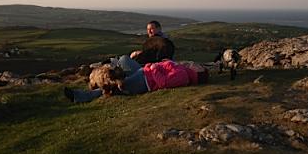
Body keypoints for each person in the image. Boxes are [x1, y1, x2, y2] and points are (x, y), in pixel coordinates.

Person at [64, 57, 208, 103]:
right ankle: (109, 73)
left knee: (113, 88)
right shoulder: (182, 69)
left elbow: (163, 83)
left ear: (197, 72)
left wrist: (153, 67)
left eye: (198, 66)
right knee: (124, 59)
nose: (195, 64)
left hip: (145, 81)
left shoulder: (183, 76)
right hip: (143, 72)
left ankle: (79, 96)